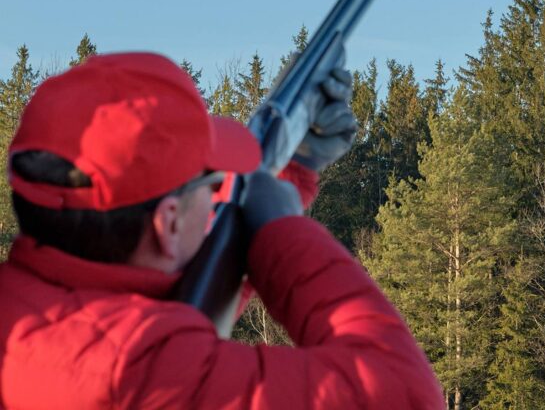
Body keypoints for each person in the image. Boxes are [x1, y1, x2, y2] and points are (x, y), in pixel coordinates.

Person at [0, 52, 445, 409]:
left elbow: (177, 302)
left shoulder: (27, 312)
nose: (220, 193)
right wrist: (282, 232)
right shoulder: (134, 370)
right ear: (169, 223)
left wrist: (291, 170)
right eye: (212, 182)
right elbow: (402, 392)